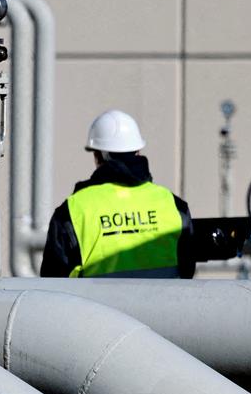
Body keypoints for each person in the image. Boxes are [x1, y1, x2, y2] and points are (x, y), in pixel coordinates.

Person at [41, 109, 194, 278]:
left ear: (98, 156)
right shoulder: (173, 205)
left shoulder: (72, 211)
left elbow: (52, 281)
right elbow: (188, 270)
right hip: (163, 304)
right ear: (138, 152)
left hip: (94, 304)